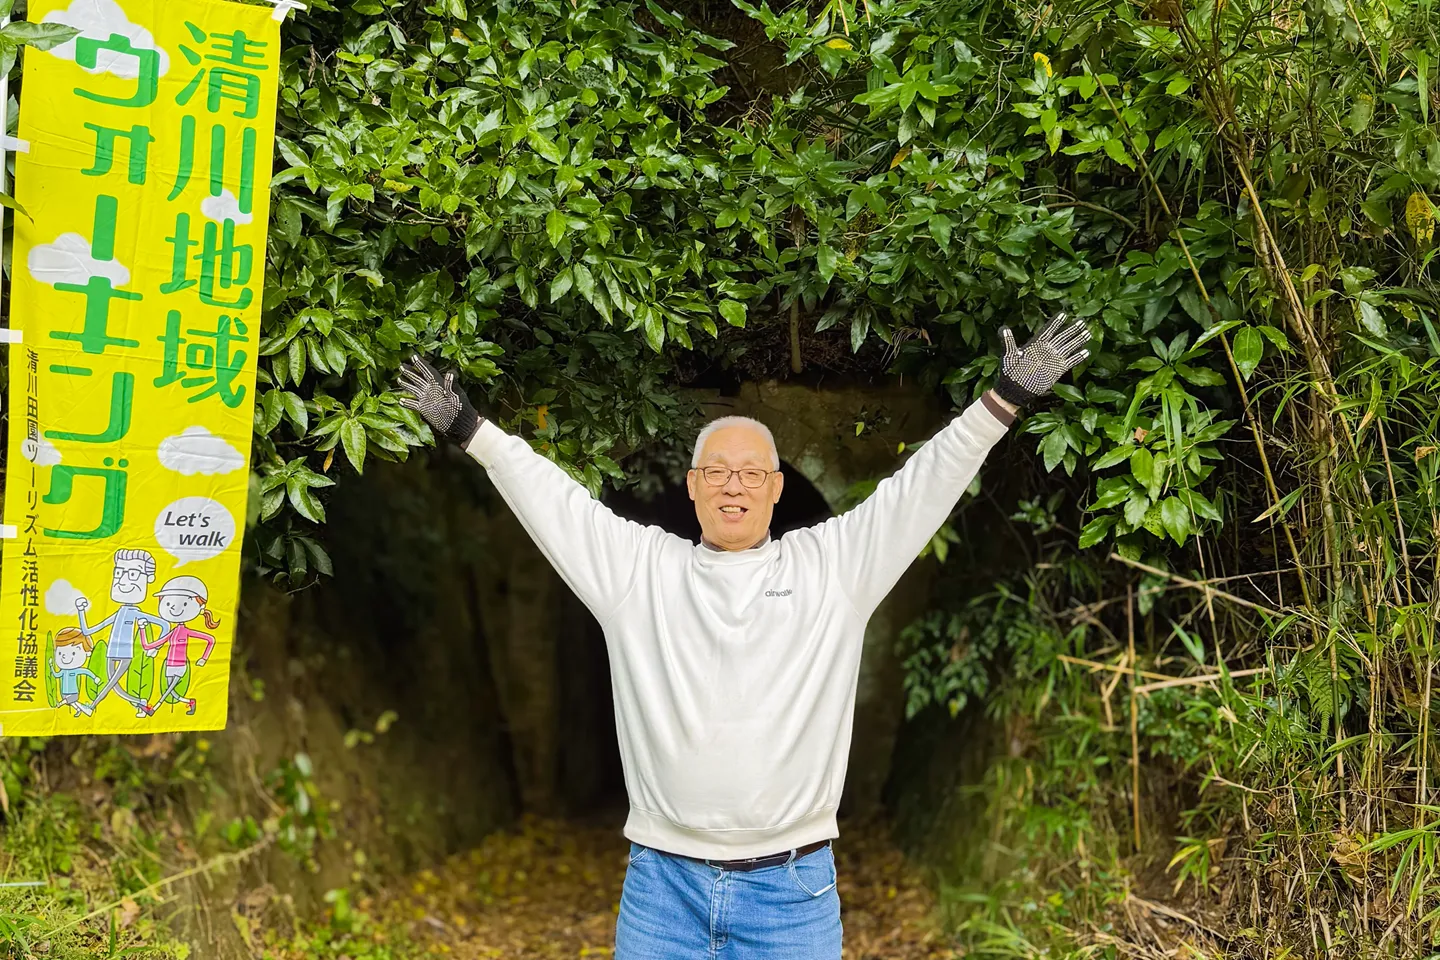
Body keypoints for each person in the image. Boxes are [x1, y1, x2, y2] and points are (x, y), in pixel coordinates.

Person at [396, 313, 1091, 959]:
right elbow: (554, 500)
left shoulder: (834, 571)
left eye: (752, 473)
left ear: (777, 488)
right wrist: (467, 426)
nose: (735, 486)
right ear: (693, 487)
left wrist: (1001, 400)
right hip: (661, 893)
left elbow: (917, 491)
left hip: (792, 894)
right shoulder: (638, 573)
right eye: (719, 473)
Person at [76, 548, 169, 717]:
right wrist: (80, 612)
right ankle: (141, 703)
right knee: (116, 688)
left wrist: (154, 647)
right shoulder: (118, 612)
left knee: (111, 684)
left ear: (148, 579)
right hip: (112, 651)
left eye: (133, 574)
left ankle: (92, 705)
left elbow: (165, 625)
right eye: (119, 573)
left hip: (126, 653)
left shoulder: (135, 612)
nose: (122, 581)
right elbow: (88, 630)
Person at [142, 575, 218, 717]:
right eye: (168, 603)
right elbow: (148, 646)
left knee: (167, 691)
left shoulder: (186, 631)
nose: (174, 608)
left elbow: (210, 639)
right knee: (174, 693)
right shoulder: (172, 632)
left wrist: (204, 658)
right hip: (169, 665)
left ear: (200, 607)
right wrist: (142, 630)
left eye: (184, 604)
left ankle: (152, 709)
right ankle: (190, 702)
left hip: (180, 665)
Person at [51, 627, 101, 718]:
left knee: (70, 700)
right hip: (64, 692)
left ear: (87, 653)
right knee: (72, 703)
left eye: (73, 653)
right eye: (59, 653)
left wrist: (94, 678)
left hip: (73, 692)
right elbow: (56, 675)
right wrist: (51, 667)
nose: (65, 657)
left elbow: (86, 672)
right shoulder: (63, 671)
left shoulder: (76, 670)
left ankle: (60, 704)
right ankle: (80, 709)